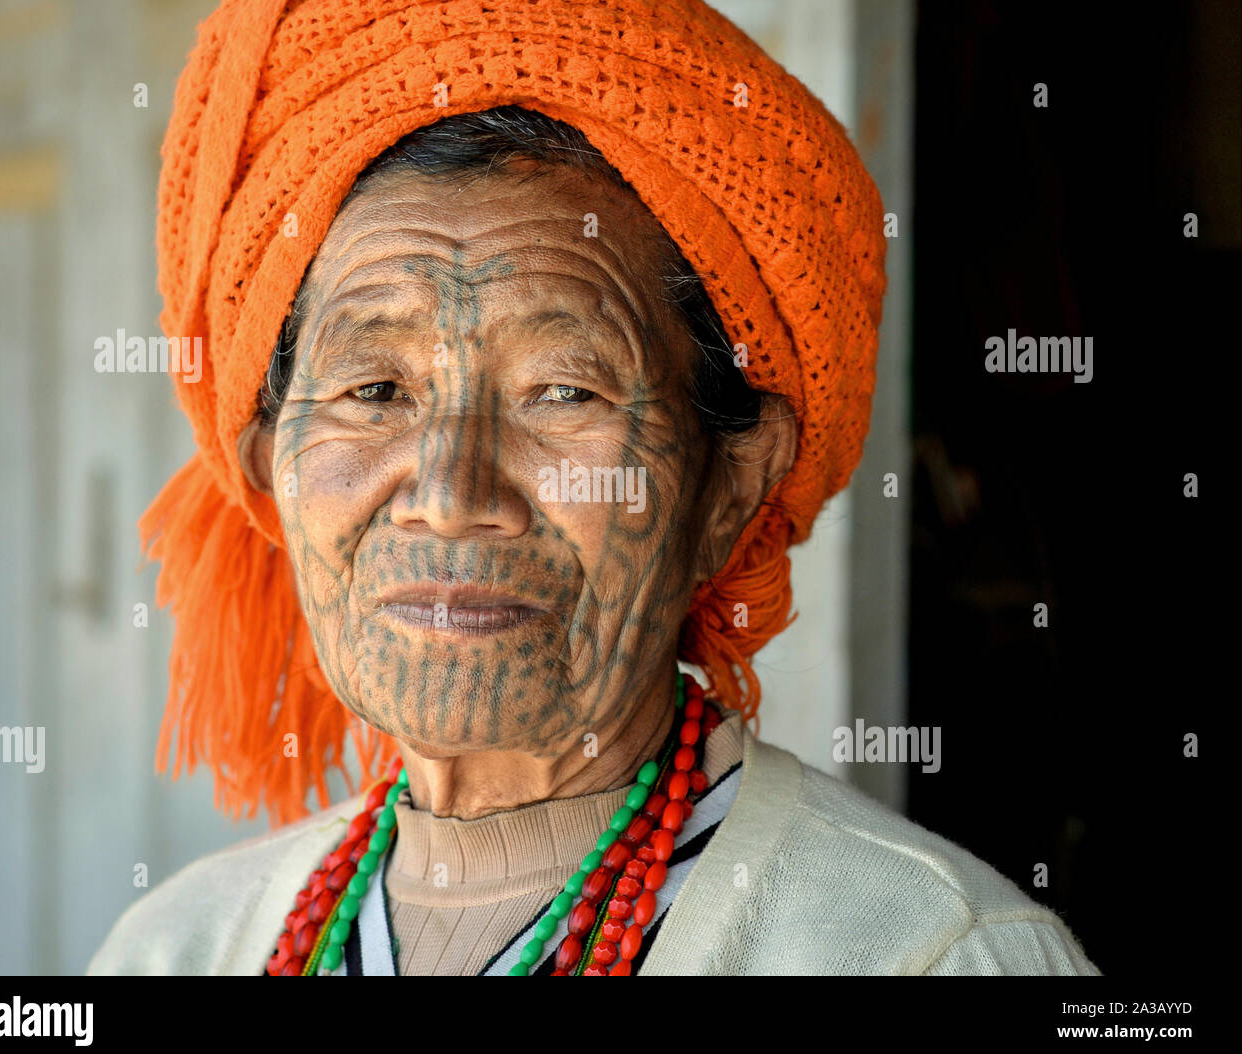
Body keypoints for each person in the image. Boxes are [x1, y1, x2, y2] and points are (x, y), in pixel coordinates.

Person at [88, 0, 1098, 976]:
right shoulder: (176, 947)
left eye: (560, 391)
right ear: (269, 462)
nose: (447, 492)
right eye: (375, 389)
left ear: (726, 487)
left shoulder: (925, 952)